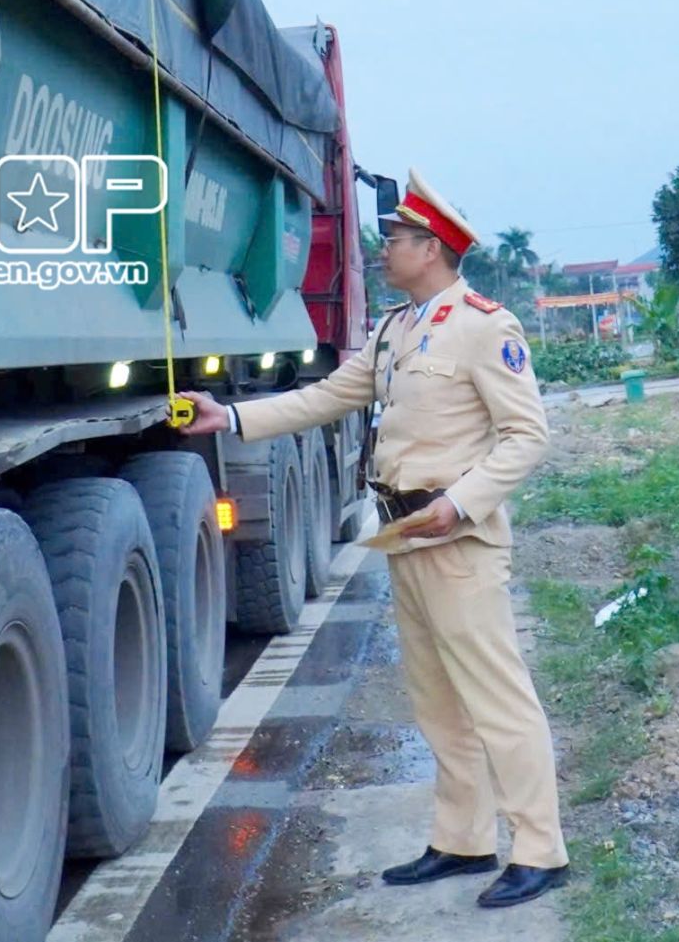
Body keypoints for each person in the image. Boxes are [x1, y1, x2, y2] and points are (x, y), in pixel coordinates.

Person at [178, 169, 570, 909]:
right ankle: (463, 838)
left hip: (457, 538)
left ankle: (542, 849)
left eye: (394, 239)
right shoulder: (396, 329)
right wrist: (229, 418)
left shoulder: (487, 326)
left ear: (432, 247)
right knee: (437, 701)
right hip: (405, 534)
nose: (382, 249)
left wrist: (461, 503)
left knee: (498, 699)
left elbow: (526, 436)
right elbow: (328, 395)